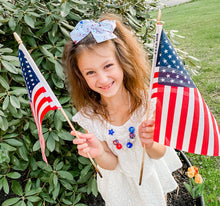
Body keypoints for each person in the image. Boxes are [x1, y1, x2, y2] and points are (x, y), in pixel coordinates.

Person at [62, 13, 182, 206]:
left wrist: (150, 143)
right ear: (81, 77)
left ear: (123, 62)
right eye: (90, 72)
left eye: (108, 66)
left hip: (150, 176)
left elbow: (160, 153)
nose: (102, 79)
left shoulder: (148, 102)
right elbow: (111, 163)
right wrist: (99, 151)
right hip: (120, 185)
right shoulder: (91, 117)